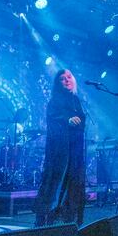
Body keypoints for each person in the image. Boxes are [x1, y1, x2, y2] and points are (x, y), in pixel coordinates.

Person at [34, 69, 86, 227]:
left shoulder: (76, 100)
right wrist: (67, 120)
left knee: (74, 181)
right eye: (63, 79)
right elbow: (54, 119)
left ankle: (68, 217)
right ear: (58, 83)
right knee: (54, 180)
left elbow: (82, 120)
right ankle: (46, 216)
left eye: (69, 77)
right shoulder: (54, 101)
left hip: (75, 148)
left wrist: (78, 121)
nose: (67, 80)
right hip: (59, 151)